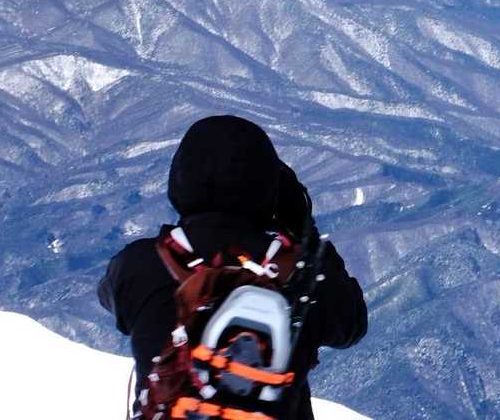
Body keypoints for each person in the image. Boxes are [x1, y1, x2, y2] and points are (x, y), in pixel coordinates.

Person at [99, 115, 368, 419]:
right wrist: (306, 232)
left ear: (181, 179)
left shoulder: (140, 264)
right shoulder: (303, 274)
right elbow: (351, 326)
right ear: (269, 188)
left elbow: (111, 298)